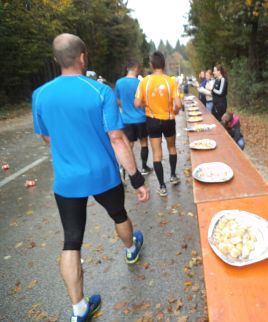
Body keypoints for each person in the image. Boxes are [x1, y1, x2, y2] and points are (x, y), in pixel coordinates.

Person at [32, 33, 150, 322]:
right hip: (103, 175)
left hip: (67, 180)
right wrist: (136, 178)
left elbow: (46, 137)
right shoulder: (100, 92)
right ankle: (131, 249)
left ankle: (79, 309)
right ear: (82, 57)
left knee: (71, 241)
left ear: (56, 59)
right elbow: (118, 139)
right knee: (119, 215)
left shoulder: (40, 94)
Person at [134, 51, 182, 197]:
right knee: (172, 147)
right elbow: (178, 104)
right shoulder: (171, 81)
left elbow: (136, 103)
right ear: (164, 65)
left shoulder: (144, 82)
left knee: (156, 154)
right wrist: (175, 111)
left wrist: (146, 104)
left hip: (152, 120)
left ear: (151, 65)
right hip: (168, 119)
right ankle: (173, 176)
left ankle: (162, 186)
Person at [115, 60, 152, 176]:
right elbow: (144, 101)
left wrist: (126, 106)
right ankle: (144, 167)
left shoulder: (119, 83)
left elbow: (117, 101)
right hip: (141, 118)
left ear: (127, 68)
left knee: (129, 145)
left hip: (126, 119)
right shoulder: (140, 83)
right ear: (136, 69)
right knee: (144, 143)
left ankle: (125, 170)